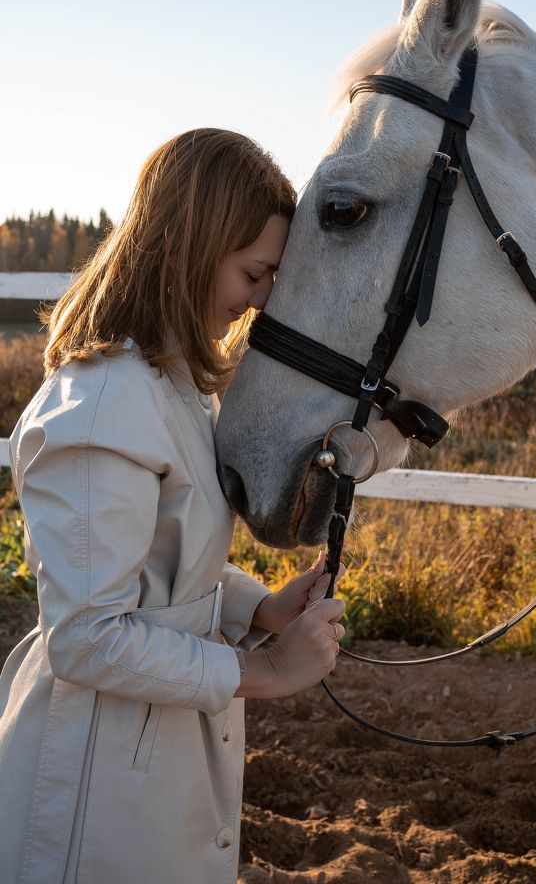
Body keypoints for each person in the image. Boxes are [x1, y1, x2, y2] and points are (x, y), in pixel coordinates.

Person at [0, 128, 346, 884]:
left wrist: (262, 611)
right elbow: (88, 635)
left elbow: (159, 566)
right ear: (192, 247)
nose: (259, 300)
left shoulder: (171, 389)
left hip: (152, 746)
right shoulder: (101, 409)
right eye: (253, 273)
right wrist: (263, 673)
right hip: (96, 774)